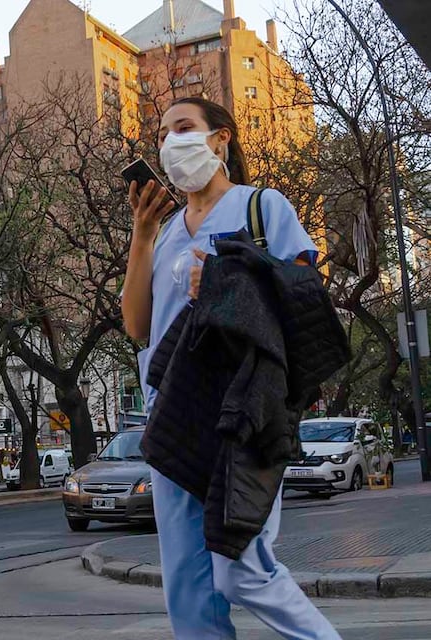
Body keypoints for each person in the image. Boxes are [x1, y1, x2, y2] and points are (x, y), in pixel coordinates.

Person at [122, 97, 340, 640]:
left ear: (220, 139)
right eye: (164, 133)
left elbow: (305, 288)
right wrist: (142, 236)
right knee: (188, 587)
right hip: (173, 413)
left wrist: (223, 279)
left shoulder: (261, 207)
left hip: (243, 410)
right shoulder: (168, 230)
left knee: (243, 570)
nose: (172, 142)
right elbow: (137, 326)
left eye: (184, 128)